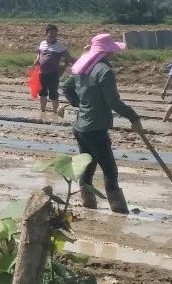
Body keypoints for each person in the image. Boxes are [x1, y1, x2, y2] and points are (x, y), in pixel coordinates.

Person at [60, 33, 143, 214]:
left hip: (81, 127)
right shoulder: (105, 71)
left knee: (88, 166)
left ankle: (88, 203)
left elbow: (66, 87)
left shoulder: (83, 66)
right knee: (110, 170)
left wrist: (80, 104)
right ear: (107, 52)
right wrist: (133, 117)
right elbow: (113, 101)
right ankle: (118, 209)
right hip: (95, 129)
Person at [32, 24, 73, 115]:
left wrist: (65, 66)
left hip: (53, 73)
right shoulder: (42, 43)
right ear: (47, 33)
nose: (53, 35)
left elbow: (68, 57)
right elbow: (39, 53)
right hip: (42, 72)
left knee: (53, 94)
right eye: (51, 32)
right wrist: (37, 59)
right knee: (42, 93)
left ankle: (55, 113)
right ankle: (42, 112)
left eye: (55, 33)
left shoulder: (59, 46)